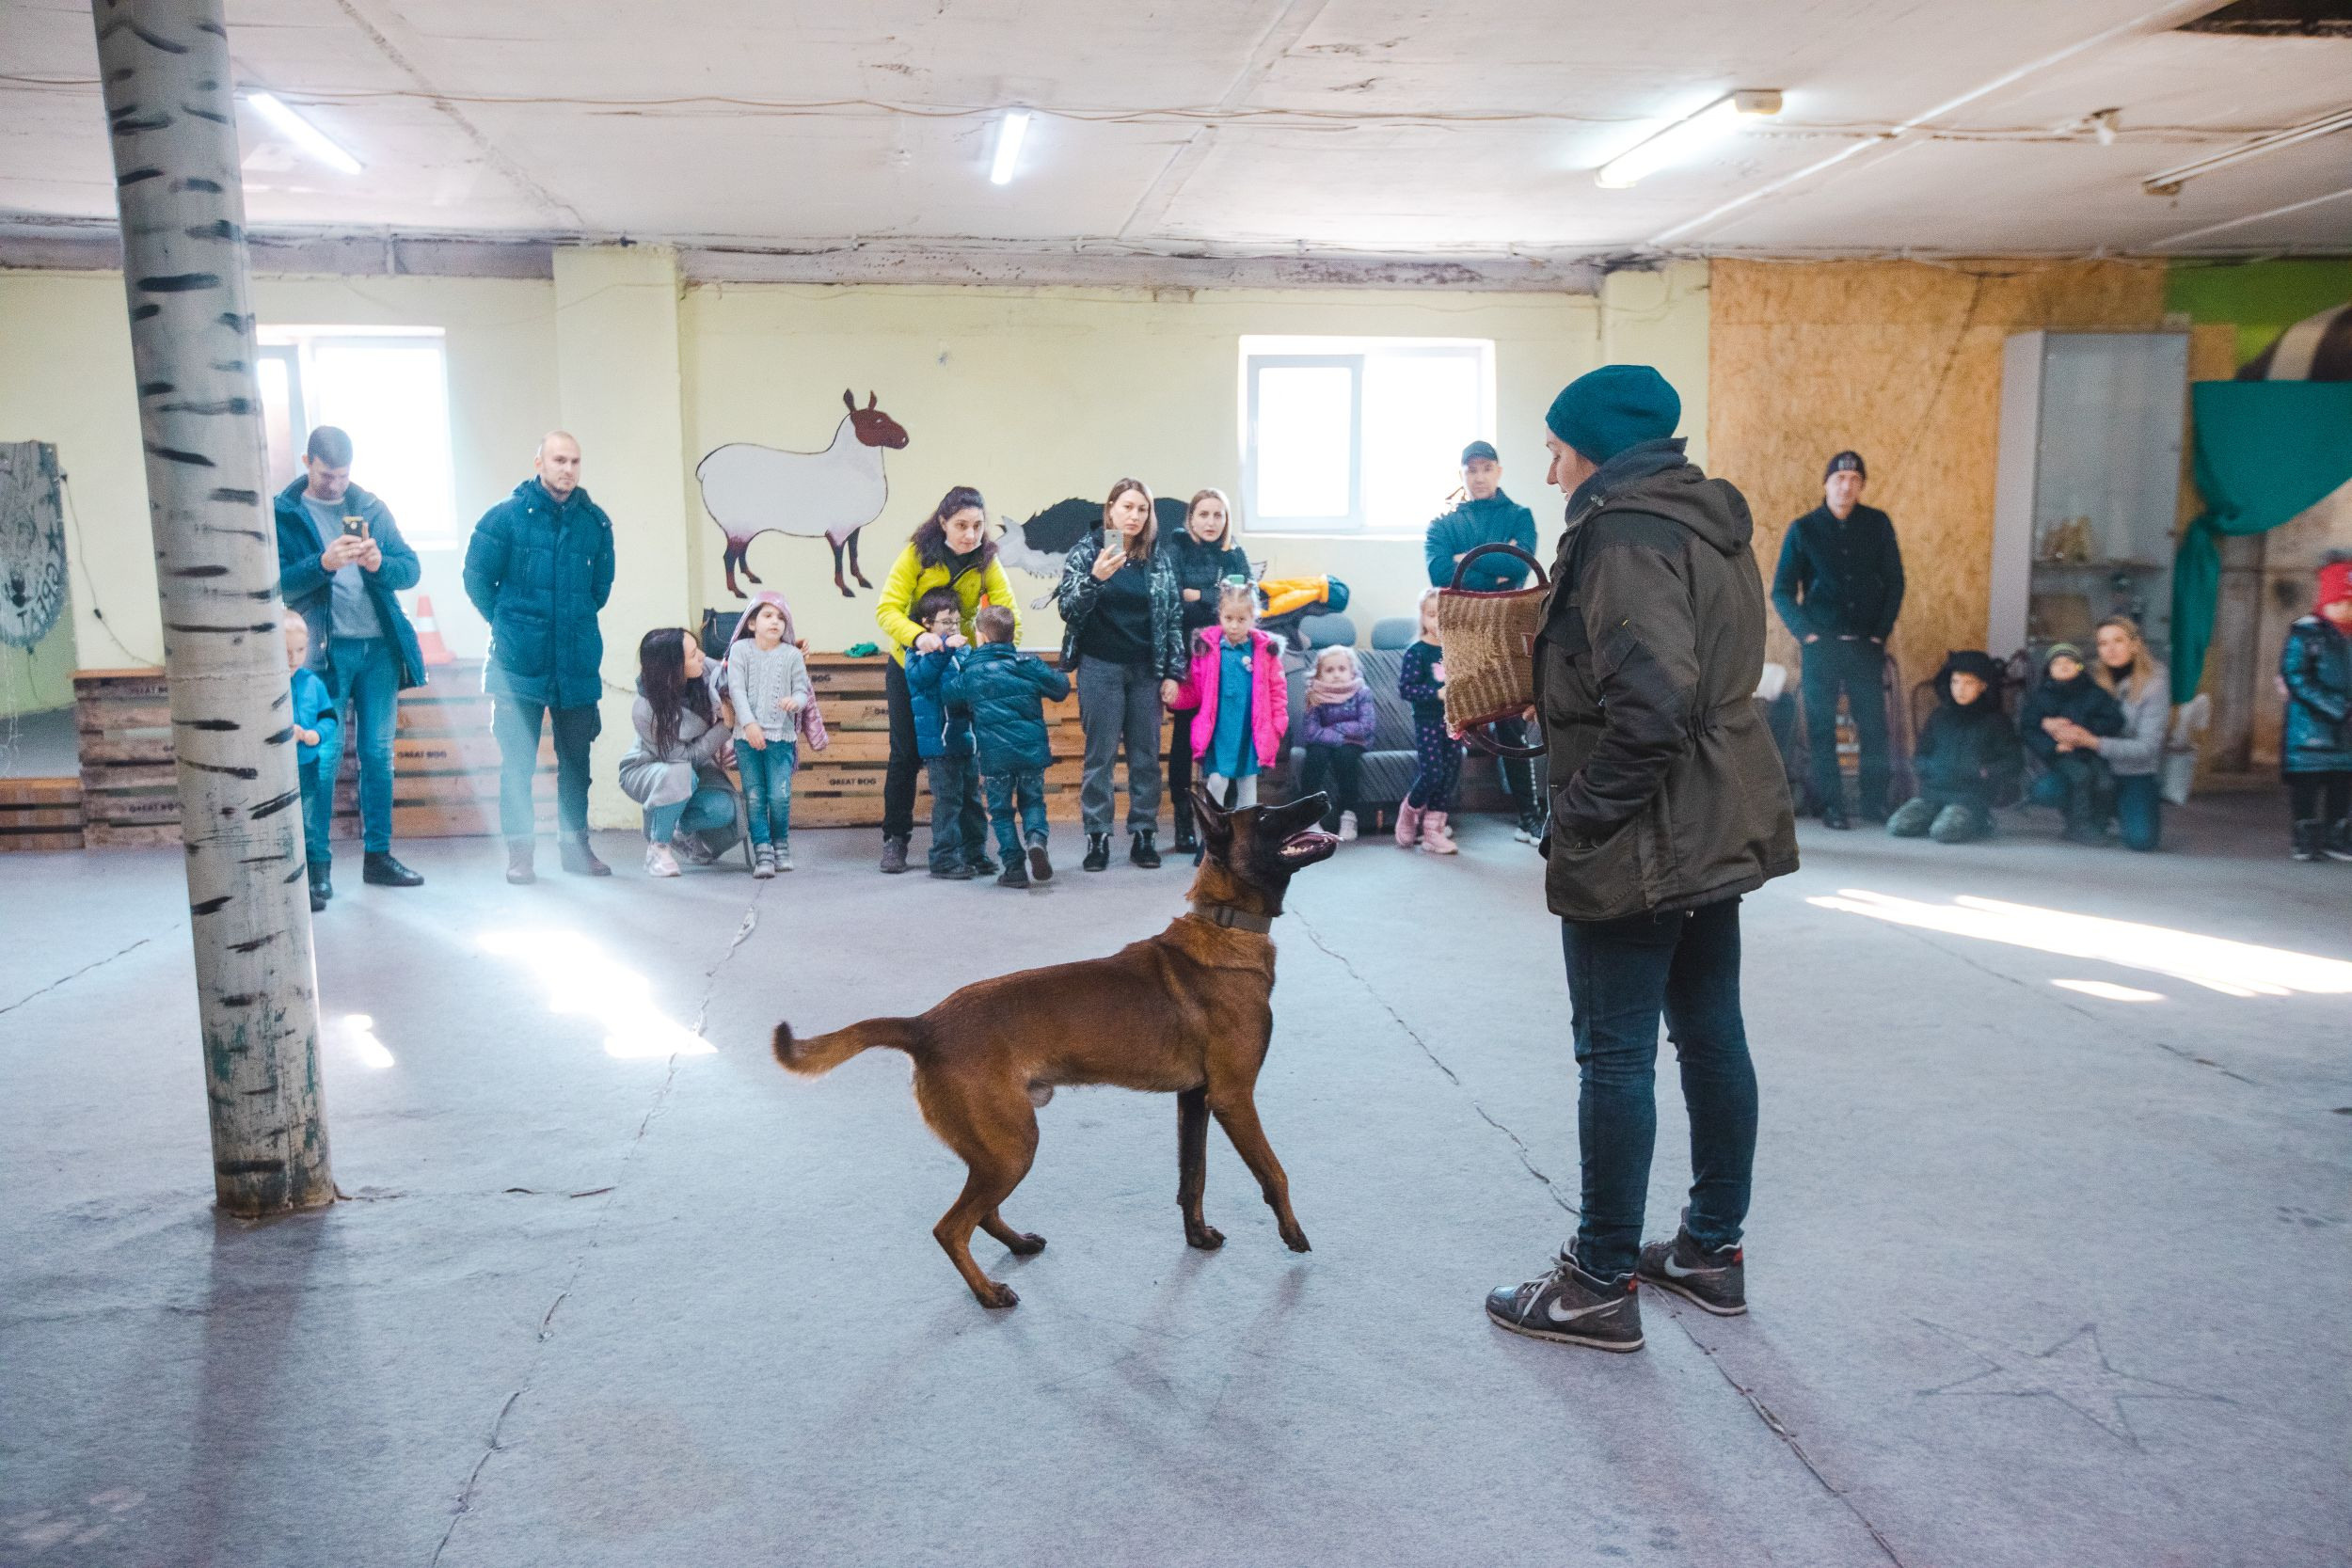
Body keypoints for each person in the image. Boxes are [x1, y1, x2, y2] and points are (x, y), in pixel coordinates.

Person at [1486, 363, 1797, 1354]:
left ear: (1594, 446)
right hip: (1717, 812)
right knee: (1710, 1033)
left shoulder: (1620, 533)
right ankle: (1709, 1250)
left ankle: (1596, 1280)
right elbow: (1675, 675)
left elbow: (1654, 702)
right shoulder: (1703, 518)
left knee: (1613, 1051)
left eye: (1554, 443)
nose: (1546, 464)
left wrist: (1576, 811)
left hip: (1646, 830)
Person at [273, 424, 428, 900]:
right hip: (324, 652)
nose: (336, 485)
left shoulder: (370, 507)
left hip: (379, 649)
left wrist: (380, 563)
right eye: (327, 475)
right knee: (321, 756)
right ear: (307, 463)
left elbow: (410, 569)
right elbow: (275, 584)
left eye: (343, 476)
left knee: (378, 756)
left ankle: (378, 857)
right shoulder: (284, 513)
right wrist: (323, 562)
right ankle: (317, 867)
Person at [463, 431, 616, 884]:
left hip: (576, 662)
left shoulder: (595, 523)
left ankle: (575, 849)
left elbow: (599, 590)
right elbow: (476, 580)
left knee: (577, 765)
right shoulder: (504, 518)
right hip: (516, 667)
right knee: (517, 767)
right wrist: (511, 624)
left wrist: (569, 624)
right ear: (538, 463)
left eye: (574, 461)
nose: (567, 469)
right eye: (558, 460)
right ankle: (521, 855)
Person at [872, 486, 1020, 875]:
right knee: (905, 754)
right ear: (942, 524)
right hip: (912, 666)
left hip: (959, 669)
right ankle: (895, 840)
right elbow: (887, 609)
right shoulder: (917, 555)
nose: (969, 535)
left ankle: (971, 849)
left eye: (976, 526)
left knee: (962, 757)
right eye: (960, 526)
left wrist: (993, 655)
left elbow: (1008, 613)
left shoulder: (987, 560)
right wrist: (920, 637)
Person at [1771, 450, 1905, 829]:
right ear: (1826, 484)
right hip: (1821, 647)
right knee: (1821, 726)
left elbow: (1895, 582)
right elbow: (1782, 590)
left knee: (1872, 725)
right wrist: (1807, 634)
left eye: (1855, 480)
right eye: (1839, 479)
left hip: (1865, 644)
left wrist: (1880, 633)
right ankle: (1831, 806)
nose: (1847, 486)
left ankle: (1875, 802)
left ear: (1861, 486)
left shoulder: (1878, 525)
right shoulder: (1804, 529)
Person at [1057, 478, 1184, 872]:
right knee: (1100, 757)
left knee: (1146, 757)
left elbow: (1174, 618)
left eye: (1142, 509)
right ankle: (1098, 837)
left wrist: (1174, 673)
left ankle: (1144, 833)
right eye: (1127, 507)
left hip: (1147, 669)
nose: (1134, 515)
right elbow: (1068, 609)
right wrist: (1095, 579)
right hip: (1100, 667)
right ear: (1111, 508)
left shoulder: (1159, 557)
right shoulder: (1086, 552)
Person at [1424, 439, 1545, 844]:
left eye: (1486, 468)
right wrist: (1491, 565)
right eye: (1470, 470)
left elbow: (1519, 567)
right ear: (1462, 474)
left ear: (1498, 471)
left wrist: (1465, 561)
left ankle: (1530, 816)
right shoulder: (1444, 523)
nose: (1478, 477)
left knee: (1513, 722)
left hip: (1510, 630)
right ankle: (1440, 817)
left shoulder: (1519, 515)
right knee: (1456, 722)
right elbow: (1439, 572)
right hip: (1462, 634)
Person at [945, 604, 1070, 888]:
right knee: (1033, 801)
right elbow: (1060, 688)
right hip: (1031, 752)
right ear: (1011, 634)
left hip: (994, 756)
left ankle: (1014, 868)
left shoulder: (972, 670)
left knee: (1001, 811)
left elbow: (949, 696)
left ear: (983, 637)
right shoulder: (1028, 664)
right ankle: (1036, 840)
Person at [1162, 487, 1252, 855]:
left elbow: (1244, 601)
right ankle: (1185, 821)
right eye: (1204, 514)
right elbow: (1171, 599)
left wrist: (1197, 595)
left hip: (1227, 659)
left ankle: (1219, 822)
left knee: (1225, 737)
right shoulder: (1176, 549)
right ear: (1191, 518)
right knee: (1185, 738)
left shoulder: (1235, 554)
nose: (1211, 522)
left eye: (1218, 515)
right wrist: (1214, 595)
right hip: (1187, 658)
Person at [616, 627, 739, 879]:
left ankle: (673, 828)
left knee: (724, 809)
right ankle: (657, 848)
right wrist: (724, 729)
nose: (703, 657)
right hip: (647, 769)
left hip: (690, 768)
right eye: (693, 655)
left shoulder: (704, 671)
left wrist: (790, 650)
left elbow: (737, 674)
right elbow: (685, 758)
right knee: (681, 773)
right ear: (672, 668)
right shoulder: (645, 709)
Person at [2056, 615, 2171, 853]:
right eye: (2103, 643)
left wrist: (2093, 742)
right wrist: (2051, 723)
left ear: (2135, 644)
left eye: (2118, 640)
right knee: (2046, 789)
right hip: (2092, 766)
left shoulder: (2155, 682)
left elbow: (2147, 748)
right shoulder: (2087, 676)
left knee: (2141, 840)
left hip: (2134, 771)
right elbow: (2050, 702)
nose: (2110, 649)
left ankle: (2118, 808)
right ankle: (2082, 818)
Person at [1170, 581, 1287, 818]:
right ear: (1220, 615)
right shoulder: (1207, 649)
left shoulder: (1265, 651)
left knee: (1247, 787)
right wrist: (1176, 697)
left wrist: (1277, 726)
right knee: (1216, 783)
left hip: (1249, 731)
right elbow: (1195, 689)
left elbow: (1277, 692)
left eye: (1241, 620)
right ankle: (1211, 835)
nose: (1234, 626)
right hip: (1219, 730)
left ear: (1253, 618)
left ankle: (1245, 840)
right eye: (1228, 618)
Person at [1886, 650, 2019, 844]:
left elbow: (2014, 761)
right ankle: (1938, 815)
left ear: (1983, 686)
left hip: (1970, 797)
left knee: (1944, 832)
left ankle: (1980, 819)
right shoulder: (1939, 716)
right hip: (1932, 793)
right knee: (1898, 825)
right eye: (1955, 682)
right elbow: (1920, 754)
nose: (1960, 689)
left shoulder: (1996, 721)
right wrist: (1929, 767)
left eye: (1968, 683)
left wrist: (1983, 772)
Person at [904, 589, 992, 881]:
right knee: (948, 802)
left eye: (956, 622)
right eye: (946, 623)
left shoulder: (963, 650)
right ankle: (944, 859)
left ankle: (975, 854)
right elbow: (923, 679)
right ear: (927, 623)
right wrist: (946, 648)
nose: (953, 628)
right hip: (939, 744)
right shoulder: (917, 654)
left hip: (965, 740)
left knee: (972, 801)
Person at [726, 599, 811, 878]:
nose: (775, 621)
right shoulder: (740, 651)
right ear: (752, 624)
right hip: (746, 738)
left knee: (779, 795)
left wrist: (794, 702)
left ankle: (780, 845)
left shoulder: (792, 655)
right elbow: (736, 690)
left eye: (781, 617)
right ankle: (762, 849)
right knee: (754, 795)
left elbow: (802, 691)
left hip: (781, 738)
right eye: (767, 616)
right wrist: (749, 725)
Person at [2019, 642, 2125, 845]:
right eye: (2057, 663)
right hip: (2062, 755)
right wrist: (2053, 747)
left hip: (2091, 750)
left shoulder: (2096, 694)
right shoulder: (2040, 697)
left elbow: (2114, 720)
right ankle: (2078, 826)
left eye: (2069, 662)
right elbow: (2028, 728)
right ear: (2048, 670)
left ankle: (2099, 824)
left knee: (2106, 782)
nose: (2064, 666)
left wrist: (2087, 732)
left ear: (2080, 667)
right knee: (2081, 777)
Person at [2280, 559, 2352, 862]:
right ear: (2324, 600)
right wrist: (2337, 707)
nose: (2345, 610)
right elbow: (2295, 676)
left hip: (2346, 731)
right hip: (2309, 728)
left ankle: (2336, 835)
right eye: (2338, 602)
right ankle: (2305, 835)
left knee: (2342, 782)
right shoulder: (2305, 633)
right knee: (2307, 784)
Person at [1394, 590, 1460, 855]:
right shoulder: (1417, 652)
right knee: (1433, 772)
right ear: (1422, 617)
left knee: (1450, 772)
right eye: (1432, 615)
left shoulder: (1456, 650)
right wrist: (1436, 693)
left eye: (1444, 615)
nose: (1438, 621)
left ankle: (1433, 831)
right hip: (1428, 721)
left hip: (1455, 722)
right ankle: (1409, 809)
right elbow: (1406, 689)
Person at [281, 611, 339, 912]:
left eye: (300, 650)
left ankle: (319, 876)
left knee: (311, 822)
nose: (293, 658)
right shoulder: (268, 685)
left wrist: (316, 734)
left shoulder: (312, 682)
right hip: (277, 770)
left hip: (306, 766)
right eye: (285, 651)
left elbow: (329, 718)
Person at [1297, 645, 1373, 842]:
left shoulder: (1361, 692)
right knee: (1315, 757)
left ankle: (1349, 815)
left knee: (1345, 758)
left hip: (1354, 742)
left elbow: (1366, 726)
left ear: (1352, 671)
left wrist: (1337, 731)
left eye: (1342, 669)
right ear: (1319, 674)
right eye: (1329, 670)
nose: (1336, 674)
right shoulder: (1314, 694)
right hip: (1322, 740)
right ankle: (1310, 817)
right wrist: (1337, 738)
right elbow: (1311, 731)